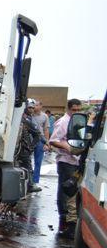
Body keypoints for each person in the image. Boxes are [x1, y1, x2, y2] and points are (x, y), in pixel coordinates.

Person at [49, 99, 83, 238]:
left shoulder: (77, 122)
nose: (76, 112)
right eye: (74, 110)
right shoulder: (63, 122)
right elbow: (53, 140)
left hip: (76, 161)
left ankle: (70, 221)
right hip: (66, 161)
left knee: (73, 192)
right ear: (68, 109)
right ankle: (65, 222)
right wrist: (68, 147)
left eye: (78, 110)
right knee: (66, 191)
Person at [16, 99, 42, 193]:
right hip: (15, 149)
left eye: (32, 108)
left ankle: (30, 185)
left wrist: (31, 146)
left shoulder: (26, 120)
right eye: (29, 107)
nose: (31, 109)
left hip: (23, 149)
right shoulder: (19, 118)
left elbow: (37, 134)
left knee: (27, 167)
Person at [30, 100, 49, 185]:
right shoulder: (29, 115)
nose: (34, 107)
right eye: (34, 105)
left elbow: (46, 130)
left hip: (40, 139)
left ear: (41, 106)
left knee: (38, 161)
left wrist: (47, 142)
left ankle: (35, 181)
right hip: (29, 139)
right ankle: (29, 179)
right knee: (27, 160)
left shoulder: (45, 116)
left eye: (37, 105)